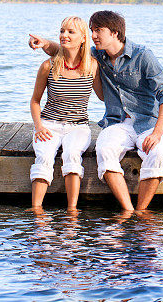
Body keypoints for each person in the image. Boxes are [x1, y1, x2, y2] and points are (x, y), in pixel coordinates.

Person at [30, 10, 163, 213]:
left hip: (147, 122)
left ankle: (141, 211)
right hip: (116, 122)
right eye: (91, 31)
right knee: (104, 150)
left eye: (98, 30)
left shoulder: (143, 56)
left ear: (115, 33)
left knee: (158, 151)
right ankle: (128, 211)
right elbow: (68, 50)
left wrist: (157, 132)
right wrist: (45, 43)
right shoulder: (97, 55)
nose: (93, 35)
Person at [29, 16, 103, 213]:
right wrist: (39, 127)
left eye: (71, 32)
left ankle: (72, 211)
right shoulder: (49, 66)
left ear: (83, 38)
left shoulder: (92, 66)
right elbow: (35, 101)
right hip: (49, 124)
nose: (64, 35)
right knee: (44, 155)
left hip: (78, 126)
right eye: (62, 31)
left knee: (71, 154)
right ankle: (36, 209)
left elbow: (104, 97)